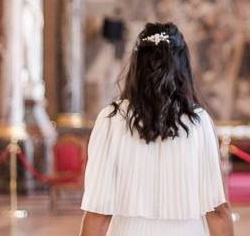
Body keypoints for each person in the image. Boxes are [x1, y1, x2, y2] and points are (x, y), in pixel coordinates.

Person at [80, 22, 234, 236]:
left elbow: (97, 214)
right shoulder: (199, 121)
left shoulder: (110, 120)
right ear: (182, 65)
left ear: (136, 64)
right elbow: (218, 210)